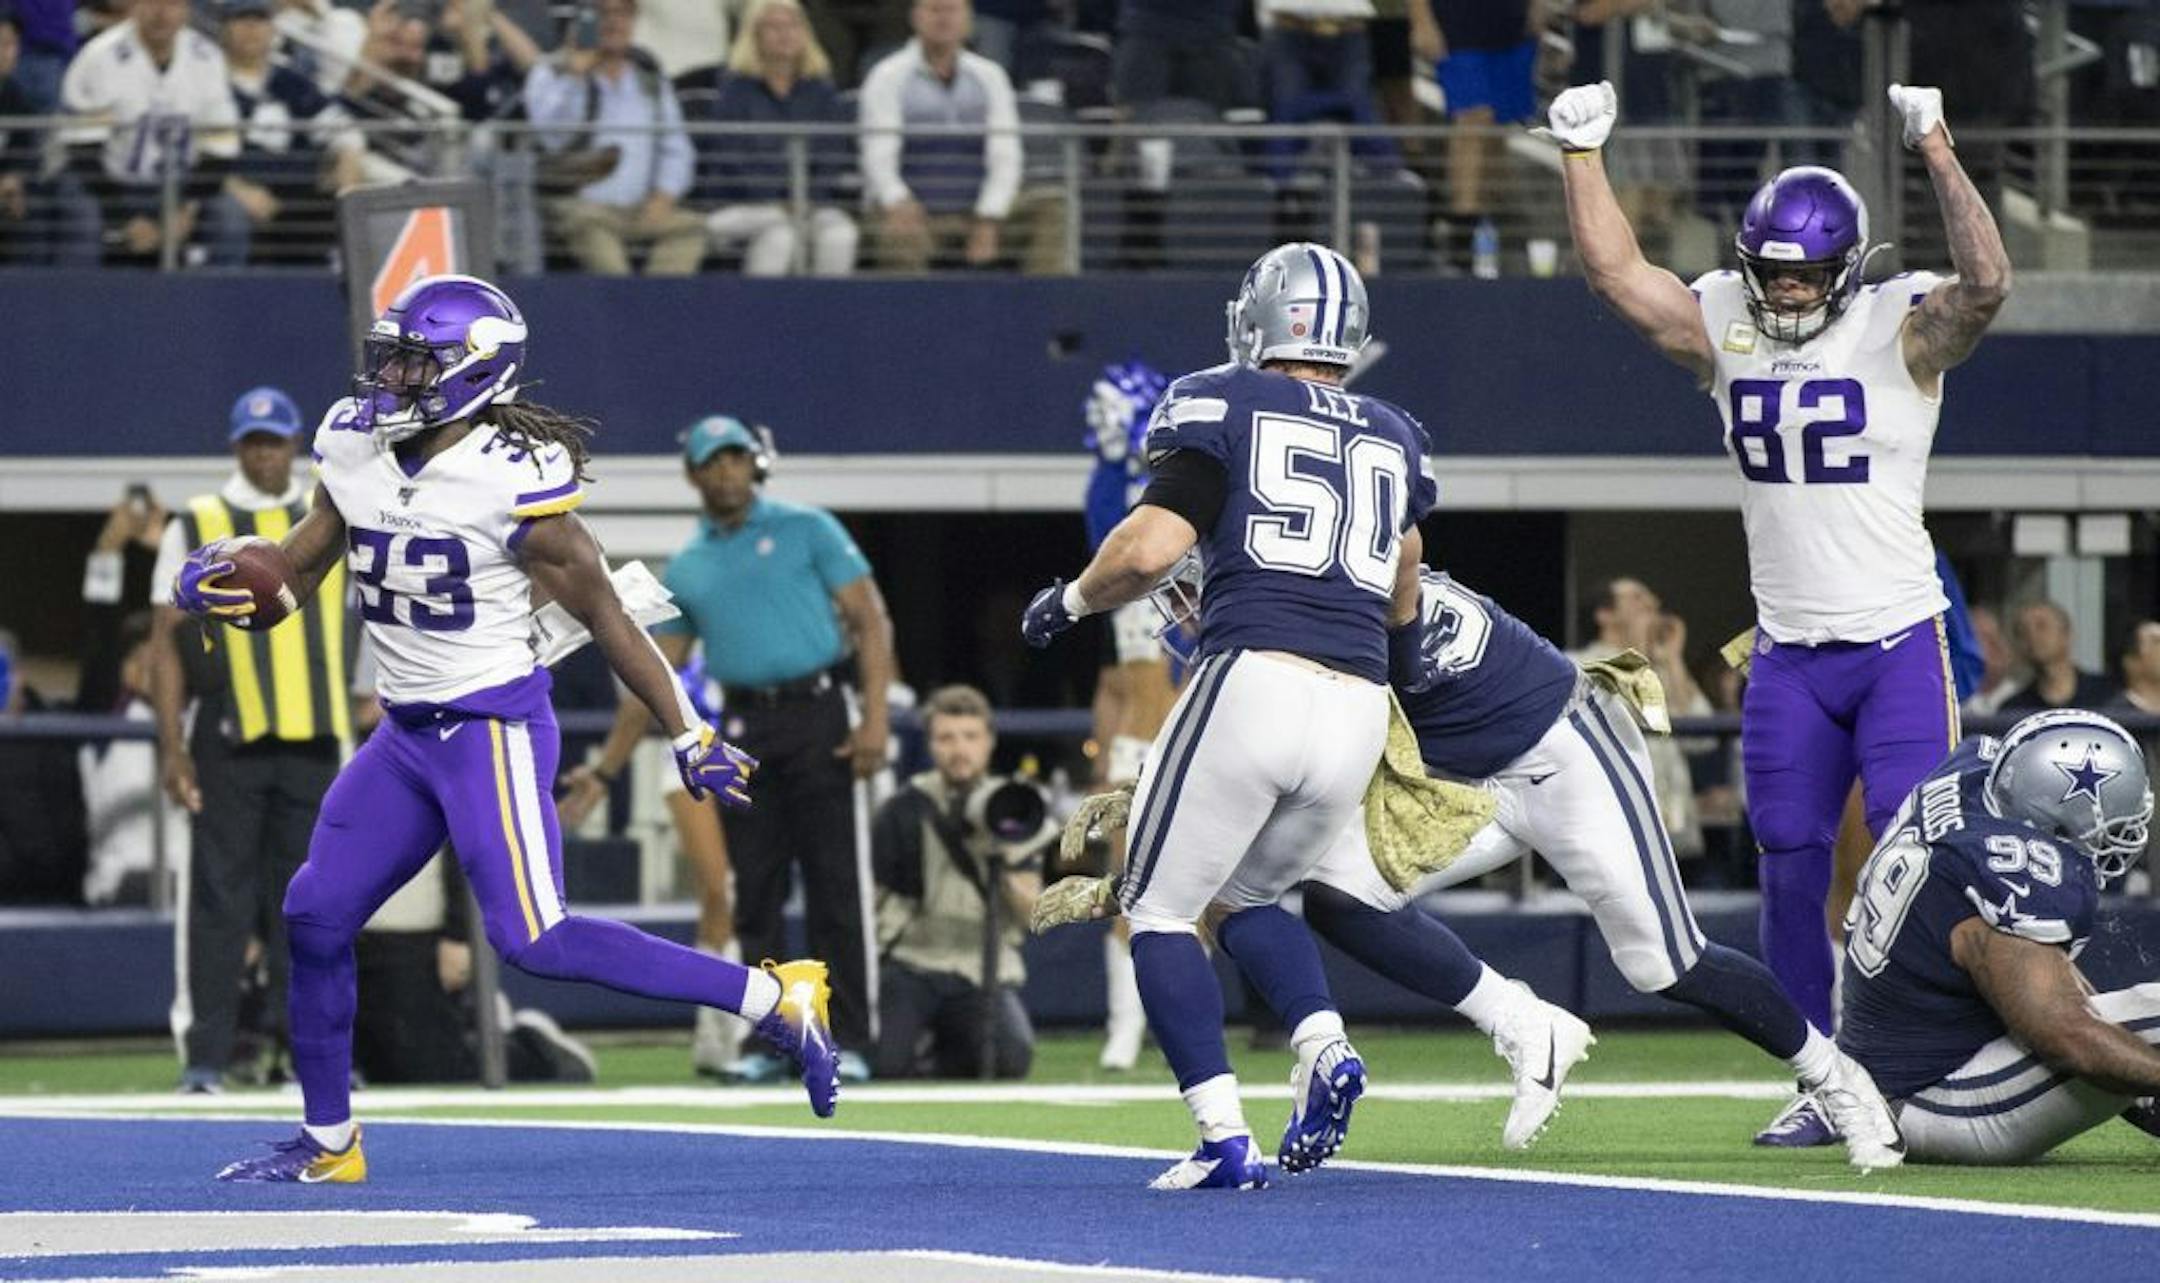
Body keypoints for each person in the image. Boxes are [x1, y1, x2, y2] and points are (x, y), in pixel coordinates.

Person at [170, 275, 837, 1183]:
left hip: (492, 726)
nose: (393, 377)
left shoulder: (510, 475)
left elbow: (608, 614)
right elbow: (298, 568)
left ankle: (776, 996)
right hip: (404, 736)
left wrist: (687, 730)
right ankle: (330, 1143)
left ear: (475, 373)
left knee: (536, 937)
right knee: (314, 916)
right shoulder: (355, 445)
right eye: (391, 357)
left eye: (414, 361)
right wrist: (231, 582)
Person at [1544, 79, 2013, 1143]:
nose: (1789, 293)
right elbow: (1620, 274)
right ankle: (1826, 1075)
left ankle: (1925, 1058)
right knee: (1791, 860)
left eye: (1807, 275)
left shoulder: (1900, 323)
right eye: (1774, 274)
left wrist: (1936, 143)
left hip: (1897, 639)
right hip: (1790, 653)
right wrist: (1581, 152)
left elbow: (1987, 280)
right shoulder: (1724, 316)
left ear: (1847, 268)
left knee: (1910, 857)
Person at [1021, 242, 1436, 1189]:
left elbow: (1150, 543)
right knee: (1247, 898)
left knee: (1156, 909)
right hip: (1359, 702)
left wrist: (1068, 603)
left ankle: (1221, 1136)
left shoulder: (1224, 398)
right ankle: (1324, 1042)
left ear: (1262, 320)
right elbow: (1404, 579)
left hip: (1255, 678)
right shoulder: (1392, 431)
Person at [1298, 569, 1904, 1168]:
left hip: (1565, 743)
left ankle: (1839, 1079)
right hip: (1473, 777)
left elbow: (1401, 559)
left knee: (1667, 963)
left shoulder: (1336, 592)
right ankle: (1527, 1024)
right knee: (1342, 894)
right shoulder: (1319, 588)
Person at [568, 414, 894, 1085]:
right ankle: (777, 1039)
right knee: (756, 892)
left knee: (837, 884)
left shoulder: (809, 527)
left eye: (736, 458)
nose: (726, 471)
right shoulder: (689, 564)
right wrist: (604, 769)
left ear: (755, 463)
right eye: (712, 461)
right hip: (745, 727)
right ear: (692, 474)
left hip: (821, 712)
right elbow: (651, 673)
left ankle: (854, 1037)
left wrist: (876, 720)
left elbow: (870, 620)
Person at [147, 388, 355, 1094]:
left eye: (276, 439)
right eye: (254, 441)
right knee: (217, 902)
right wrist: (172, 748)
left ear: (295, 442)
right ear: (239, 447)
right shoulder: (200, 520)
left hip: (316, 738)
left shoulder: (332, 512)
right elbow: (165, 645)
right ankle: (205, 1056)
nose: (266, 452)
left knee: (311, 901)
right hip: (228, 742)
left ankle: (308, 1054)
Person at [1838, 710, 2160, 1164]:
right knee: (2149, 1011)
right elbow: (2066, 1039)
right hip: (1928, 1101)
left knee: (2092, 1006)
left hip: (1885, 1077)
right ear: (2065, 816)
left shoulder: (1974, 778)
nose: (2127, 836)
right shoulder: (2017, 874)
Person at [870, 685, 1047, 1079]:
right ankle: (920, 1047)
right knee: (882, 1063)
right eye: (946, 738)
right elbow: (876, 905)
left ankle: (943, 1051)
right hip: (912, 960)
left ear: (989, 742)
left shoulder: (1015, 806)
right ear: (930, 745)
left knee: (1010, 1059)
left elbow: (1032, 914)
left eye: (970, 737)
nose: (959, 749)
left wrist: (1002, 859)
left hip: (981, 965)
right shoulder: (903, 809)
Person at [1078, 358, 1172, 1071]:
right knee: (1127, 882)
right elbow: (1114, 678)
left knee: (1206, 894)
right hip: (1137, 739)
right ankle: (1124, 1028)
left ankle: (1177, 1018)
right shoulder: (1125, 569)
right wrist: (1105, 752)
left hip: (1193, 732)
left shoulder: (1197, 554)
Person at [860, 0, 1059, 273]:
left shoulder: (990, 76)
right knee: (899, 235)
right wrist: (897, 201)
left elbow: (1006, 155)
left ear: (968, 19)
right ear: (915, 17)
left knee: (1052, 205)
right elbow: (878, 153)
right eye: (934, 9)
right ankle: (909, 315)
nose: (943, 18)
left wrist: (989, 215)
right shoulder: (887, 76)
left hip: (978, 209)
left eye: (952, 9)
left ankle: (1048, 313)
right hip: (916, 211)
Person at [55, 0, 250, 267]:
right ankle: (75, 304)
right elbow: (83, 154)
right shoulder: (99, 57)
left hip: (180, 186)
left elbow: (220, 151)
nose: (162, 14)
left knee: (230, 218)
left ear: (187, 10)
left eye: (172, 4)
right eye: (153, 2)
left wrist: (184, 211)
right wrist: (124, 218)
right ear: (135, 6)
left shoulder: (207, 58)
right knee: (83, 219)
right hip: (109, 182)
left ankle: (218, 307)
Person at [526, 0, 706, 276]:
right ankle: (623, 305)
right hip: (580, 206)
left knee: (690, 227)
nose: (614, 22)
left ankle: (657, 307)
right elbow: (554, 138)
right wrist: (575, 76)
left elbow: (676, 148)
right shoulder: (550, 72)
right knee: (590, 227)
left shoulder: (651, 80)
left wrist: (664, 195)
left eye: (623, 13)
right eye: (603, 13)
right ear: (583, 20)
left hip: (641, 209)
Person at [692, 0, 859, 277]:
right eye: (774, 27)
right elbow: (730, 158)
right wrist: (775, 200)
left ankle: (825, 315)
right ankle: (762, 316)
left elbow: (832, 156)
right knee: (780, 235)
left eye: (793, 26)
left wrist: (804, 199)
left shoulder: (821, 91)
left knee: (841, 234)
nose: (785, 34)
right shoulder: (734, 92)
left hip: (809, 205)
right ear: (754, 34)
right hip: (743, 206)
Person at [1568, 577, 1711, 862]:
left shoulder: (1660, 669)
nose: (1653, 605)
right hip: (1613, 839)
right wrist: (1651, 661)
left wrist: (1671, 660)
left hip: (1675, 839)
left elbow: (1703, 738)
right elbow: (1637, 711)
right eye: (1637, 598)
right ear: (1604, 615)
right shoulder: (1577, 664)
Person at [2001, 600, 2117, 714]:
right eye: (2021, 631)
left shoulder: (2108, 696)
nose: (2032, 636)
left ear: (2066, 634)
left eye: (2041, 626)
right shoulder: (2015, 710)